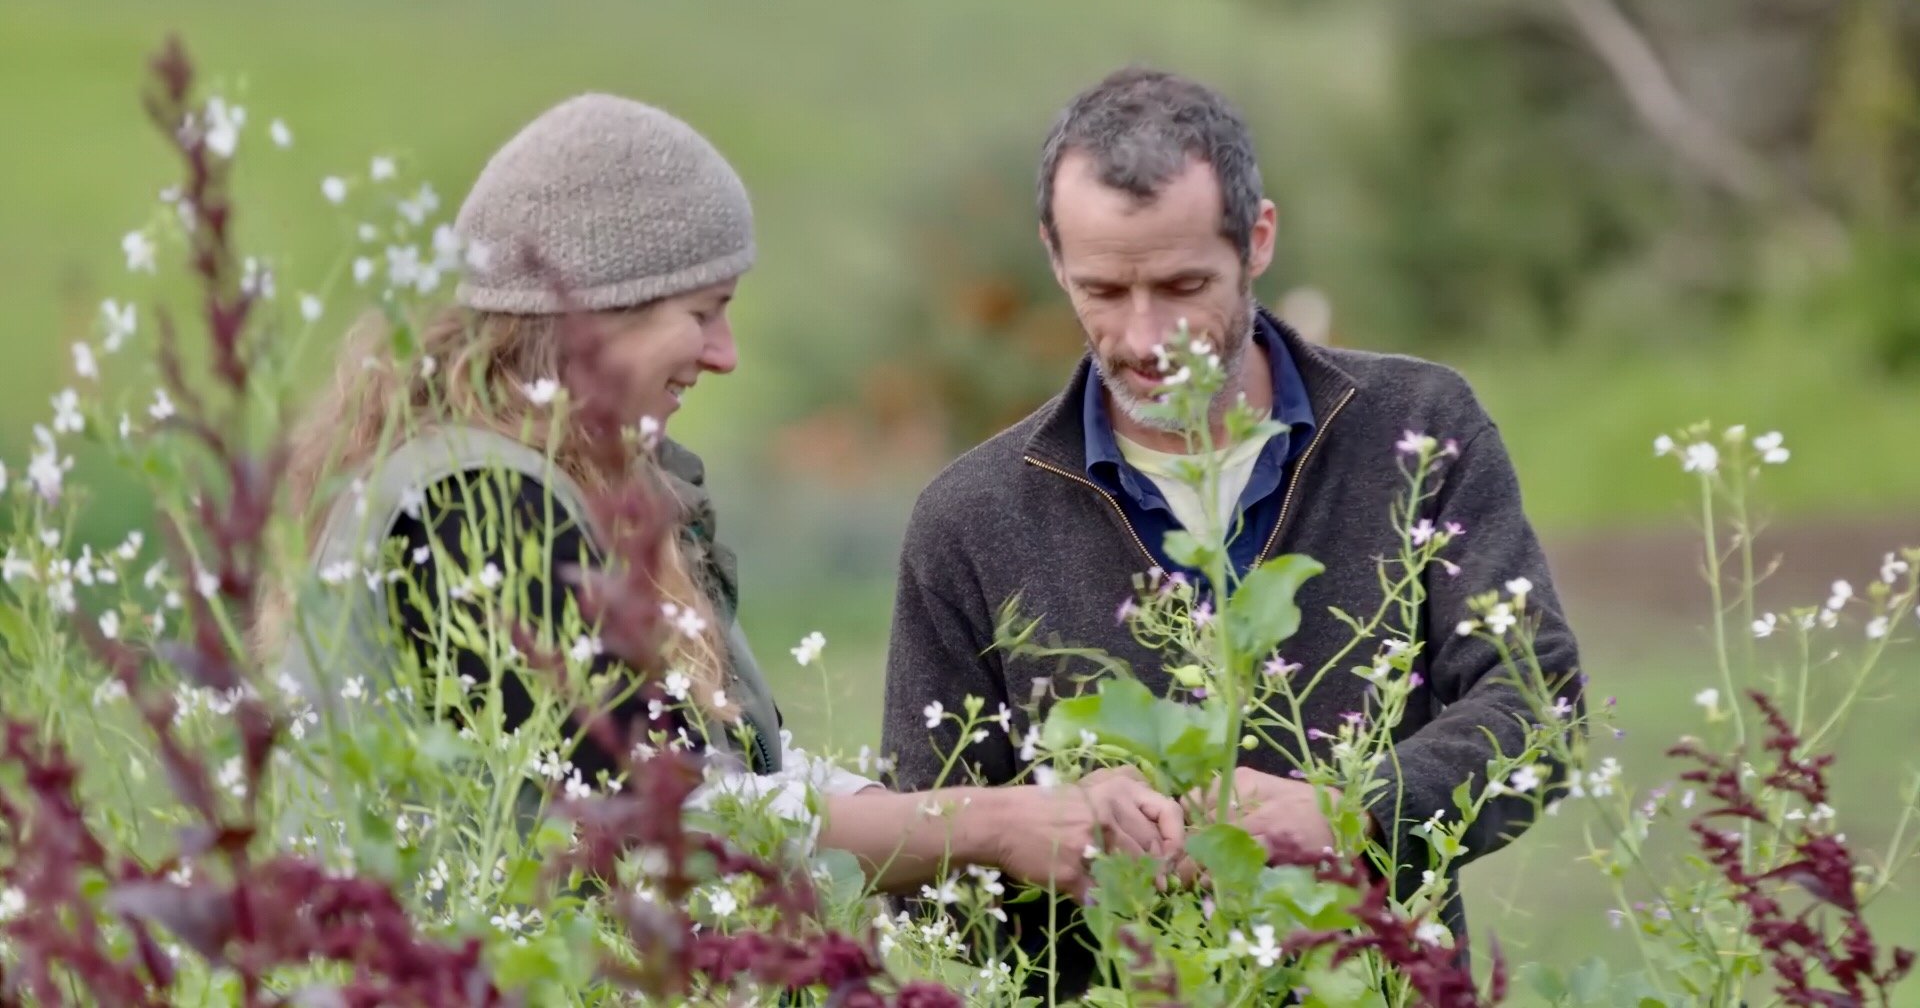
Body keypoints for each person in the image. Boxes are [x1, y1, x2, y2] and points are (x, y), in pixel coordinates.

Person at [268, 92, 1184, 900]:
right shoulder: (479, 504)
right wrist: (984, 826)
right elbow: (649, 821)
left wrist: (1009, 815)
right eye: (703, 310)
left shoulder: (585, 488)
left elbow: (726, 780)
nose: (724, 353)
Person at [880, 67, 1583, 994]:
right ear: (1053, 256)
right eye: (1102, 289)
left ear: (1258, 240)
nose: (1147, 335)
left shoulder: (1416, 429)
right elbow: (916, 861)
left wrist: (1353, 812)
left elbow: (1538, 706)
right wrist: (1050, 830)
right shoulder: (970, 520)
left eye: (1183, 285)